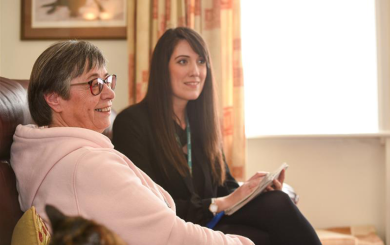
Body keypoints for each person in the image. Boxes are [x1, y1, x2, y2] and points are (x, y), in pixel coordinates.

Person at [10, 40, 253, 245]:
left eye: (107, 81)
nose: (110, 94)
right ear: (54, 99)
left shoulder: (44, 155)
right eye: (94, 84)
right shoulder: (86, 164)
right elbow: (170, 236)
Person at [112, 27, 322, 245]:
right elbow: (148, 203)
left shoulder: (200, 122)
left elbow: (226, 185)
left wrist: (255, 190)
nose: (196, 71)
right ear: (161, 69)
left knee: (275, 201)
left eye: (201, 61)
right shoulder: (133, 122)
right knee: (270, 223)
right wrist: (219, 203)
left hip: (210, 220)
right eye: (183, 61)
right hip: (174, 227)